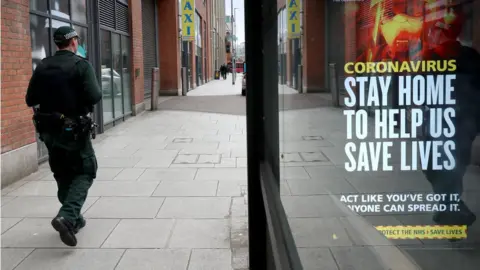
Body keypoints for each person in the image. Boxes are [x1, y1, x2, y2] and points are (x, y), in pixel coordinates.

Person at [25, 26, 102, 247]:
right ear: (74, 42)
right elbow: (95, 96)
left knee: (62, 173)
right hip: (74, 131)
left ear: (58, 44)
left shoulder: (42, 66)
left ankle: (74, 219)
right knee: (85, 170)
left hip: (49, 131)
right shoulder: (81, 65)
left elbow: (30, 100)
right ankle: (67, 216)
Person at [421, 6, 480, 234]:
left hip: (446, 124)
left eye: (436, 30)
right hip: (462, 125)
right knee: (450, 169)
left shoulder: (432, 57)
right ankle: (451, 210)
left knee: (438, 168)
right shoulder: (471, 57)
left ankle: (453, 214)